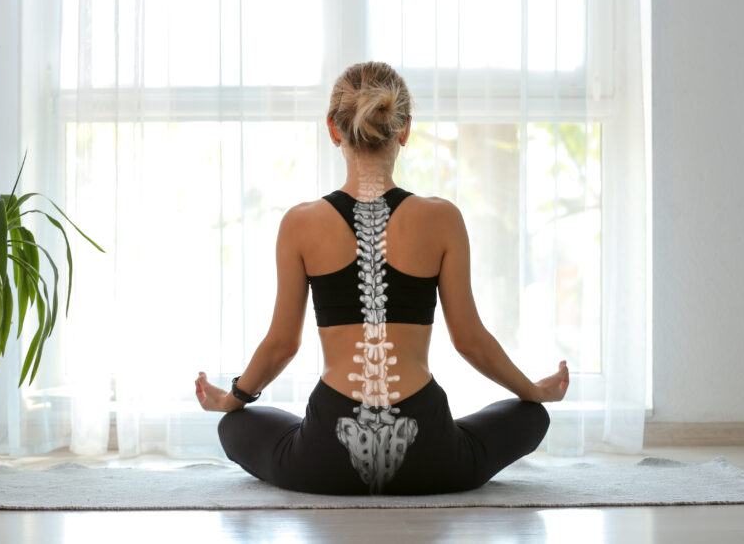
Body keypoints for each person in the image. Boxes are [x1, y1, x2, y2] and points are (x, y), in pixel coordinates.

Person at [195, 61, 569, 495]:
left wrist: (233, 398)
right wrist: (531, 390)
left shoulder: (300, 223)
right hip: (430, 453)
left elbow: (283, 344)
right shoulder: (442, 218)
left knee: (235, 426)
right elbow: (469, 339)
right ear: (404, 128)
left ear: (334, 130)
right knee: (530, 417)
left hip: (325, 457)